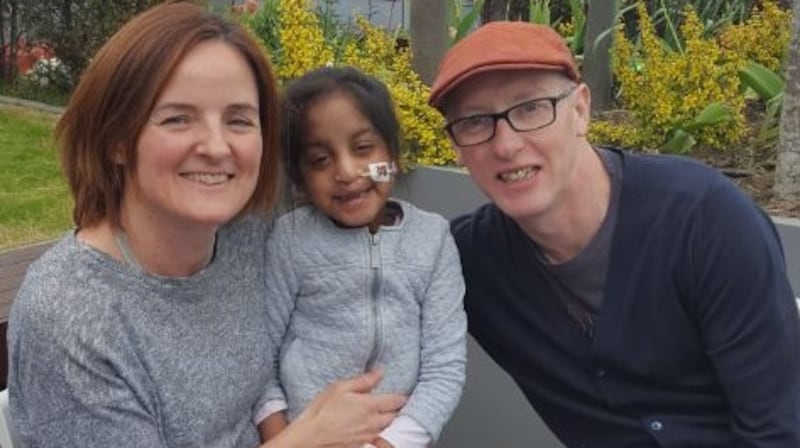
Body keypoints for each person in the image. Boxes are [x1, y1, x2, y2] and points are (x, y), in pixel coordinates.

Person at [7, 3, 405, 447]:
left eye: (238, 120)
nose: (217, 147)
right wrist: (307, 438)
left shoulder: (247, 239)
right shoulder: (73, 318)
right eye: (178, 118)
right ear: (117, 140)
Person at [428, 20, 800, 447]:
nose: (506, 144)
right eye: (475, 121)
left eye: (531, 107)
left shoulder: (702, 220)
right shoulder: (467, 263)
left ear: (581, 110)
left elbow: (774, 431)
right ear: (457, 146)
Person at [256, 67, 467, 448]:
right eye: (320, 160)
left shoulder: (432, 239)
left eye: (363, 148)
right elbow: (259, 360)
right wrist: (286, 438)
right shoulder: (290, 240)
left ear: (393, 154)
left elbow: (444, 367)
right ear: (300, 180)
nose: (347, 172)